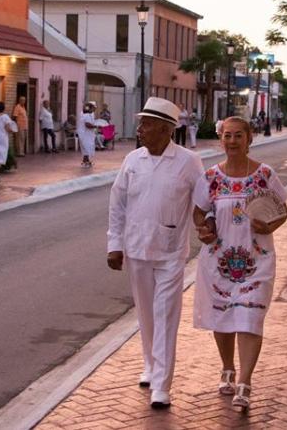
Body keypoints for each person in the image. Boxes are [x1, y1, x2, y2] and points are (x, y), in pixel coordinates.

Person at [107, 97, 203, 409]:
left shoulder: (188, 161)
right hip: (136, 249)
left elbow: (202, 203)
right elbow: (117, 204)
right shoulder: (133, 160)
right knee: (145, 314)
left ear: (165, 129)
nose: (140, 129)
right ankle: (149, 365)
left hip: (170, 251)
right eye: (141, 123)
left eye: (146, 124)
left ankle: (162, 385)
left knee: (165, 316)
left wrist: (213, 227)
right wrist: (114, 245)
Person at [192, 116, 287, 411]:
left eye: (238, 136)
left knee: (250, 317)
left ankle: (245, 382)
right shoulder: (210, 177)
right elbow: (199, 213)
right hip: (218, 261)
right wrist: (204, 229)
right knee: (223, 318)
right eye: (227, 136)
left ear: (249, 138)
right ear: (221, 140)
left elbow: (282, 210)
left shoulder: (264, 174)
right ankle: (227, 367)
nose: (232, 141)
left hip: (257, 260)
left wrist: (271, 226)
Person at [78, 101, 98, 167]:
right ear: (90, 108)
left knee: (87, 147)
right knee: (86, 147)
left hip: (87, 134)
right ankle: (85, 162)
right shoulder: (86, 115)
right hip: (85, 134)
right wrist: (96, 126)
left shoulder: (89, 114)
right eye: (93, 108)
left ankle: (86, 161)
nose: (95, 109)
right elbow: (87, 124)